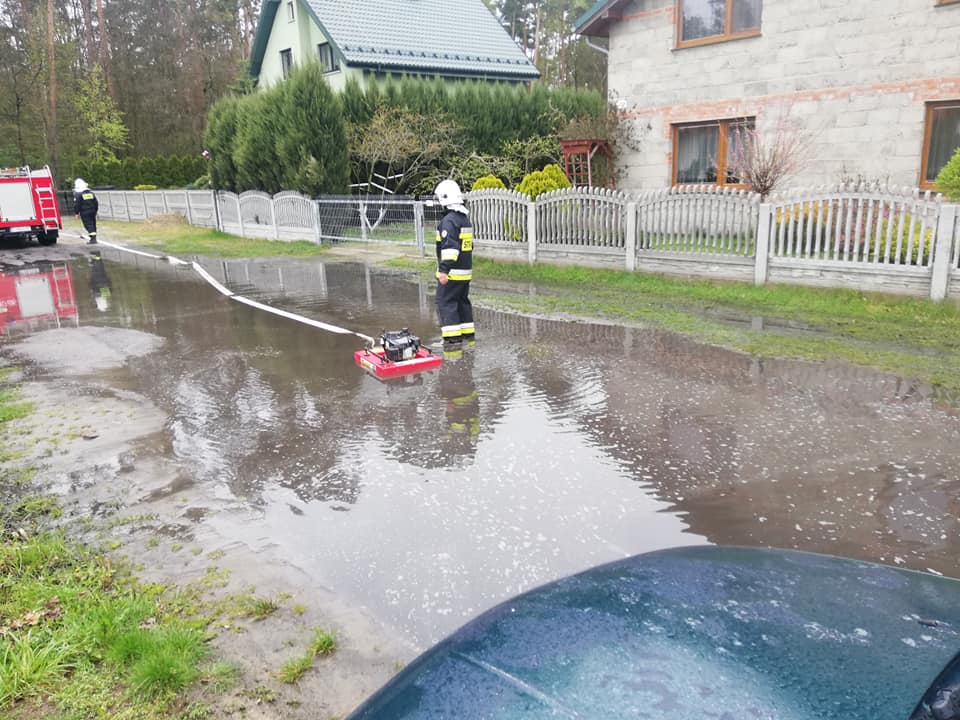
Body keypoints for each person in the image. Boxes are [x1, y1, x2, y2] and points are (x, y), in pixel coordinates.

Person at [434, 179, 474, 346]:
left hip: (452, 273)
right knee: (462, 301)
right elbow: (469, 246)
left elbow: (451, 249)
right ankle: (467, 334)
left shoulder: (449, 221)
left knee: (445, 302)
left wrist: (444, 270)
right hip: (465, 272)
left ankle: (452, 338)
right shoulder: (464, 219)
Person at [73, 178, 99, 245]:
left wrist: (76, 213)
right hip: (92, 211)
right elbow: (96, 203)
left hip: (85, 212)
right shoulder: (91, 193)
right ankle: (93, 238)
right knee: (93, 224)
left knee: (88, 225)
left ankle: (93, 239)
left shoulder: (79, 195)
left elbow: (77, 205)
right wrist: (95, 210)